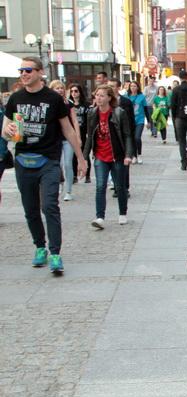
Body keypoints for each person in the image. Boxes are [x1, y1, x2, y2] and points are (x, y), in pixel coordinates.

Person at [2, 56, 86, 275]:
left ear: (40, 72)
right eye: (21, 70)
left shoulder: (53, 99)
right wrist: (8, 131)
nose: (23, 74)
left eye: (28, 70)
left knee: (49, 205)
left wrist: (81, 158)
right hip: (23, 159)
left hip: (48, 159)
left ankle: (55, 253)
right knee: (30, 209)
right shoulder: (15, 98)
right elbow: (5, 129)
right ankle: (40, 247)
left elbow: (68, 129)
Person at [84, 84, 134, 228]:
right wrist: (84, 157)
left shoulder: (119, 113)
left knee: (119, 186)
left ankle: (122, 213)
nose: (98, 98)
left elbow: (127, 135)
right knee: (100, 186)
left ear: (109, 98)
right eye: (97, 95)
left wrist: (128, 155)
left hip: (117, 155)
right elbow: (90, 136)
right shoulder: (92, 113)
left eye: (102, 96)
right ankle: (100, 217)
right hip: (100, 155)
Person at [49, 80, 81, 202]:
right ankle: (59, 184)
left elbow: (75, 121)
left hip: (68, 138)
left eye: (61, 88)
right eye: (57, 88)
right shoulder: (49, 103)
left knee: (67, 164)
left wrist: (77, 137)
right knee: (58, 164)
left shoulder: (69, 103)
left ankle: (68, 191)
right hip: (54, 138)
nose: (60, 90)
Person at [108, 78, 135, 197]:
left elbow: (131, 120)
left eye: (113, 86)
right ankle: (117, 187)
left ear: (118, 87)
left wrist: (131, 138)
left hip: (124, 136)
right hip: (111, 137)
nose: (110, 88)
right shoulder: (106, 102)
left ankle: (125, 187)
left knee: (124, 163)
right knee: (112, 163)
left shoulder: (126, 102)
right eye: (109, 86)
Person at [69, 83, 92, 183]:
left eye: (76, 91)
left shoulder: (86, 105)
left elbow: (89, 119)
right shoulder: (69, 104)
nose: (73, 93)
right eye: (71, 91)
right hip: (72, 132)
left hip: (83, 132)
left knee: (84, 153)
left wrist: (88, 132)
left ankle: (87, 175)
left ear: (80, 92)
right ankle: (74, 175)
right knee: (73, 155)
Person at [127, 81, 148, 164]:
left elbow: (146, 109)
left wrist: (149, 121)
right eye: (131, 86)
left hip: (140, 120)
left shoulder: (141, 97)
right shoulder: (126, 96)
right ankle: (134, 156)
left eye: (134, 86)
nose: (133, 88)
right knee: (132, 138)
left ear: (138, 87)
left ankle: (139, 155)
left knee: (137, 137)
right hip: (129, 121)